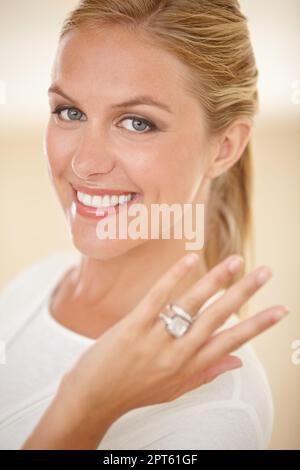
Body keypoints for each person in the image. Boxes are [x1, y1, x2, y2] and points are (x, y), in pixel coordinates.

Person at [0, 0, 289, 450]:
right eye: (69, 112)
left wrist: (86, 409)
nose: (84, 162)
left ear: (225, 147)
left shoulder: (221, 409)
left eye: (137, 123)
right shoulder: (38, 284)